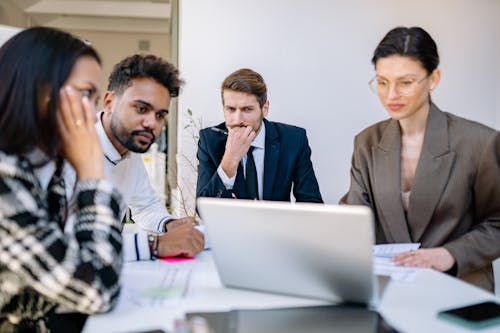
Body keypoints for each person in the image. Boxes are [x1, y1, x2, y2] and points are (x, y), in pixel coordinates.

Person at [340, 27, 500, 291]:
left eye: (405, 82)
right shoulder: (366, 142)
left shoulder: (480, 143)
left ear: (433, 78)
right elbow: (355, 218)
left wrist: (449, 254)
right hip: (389, 290)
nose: (391, 95)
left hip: (459, 290)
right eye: (382, 82)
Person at [0, 27, 124, 332]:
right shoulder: (4, 176)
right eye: (84, 93)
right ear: (36, 89)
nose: (92, 115)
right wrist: (93, 175)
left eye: (93, 99)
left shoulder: (40, 169)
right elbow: (96, 289)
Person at [65, 54, 204, 262]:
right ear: (109, 103)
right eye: (141, 109)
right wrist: (154, 245)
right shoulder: (65, 152)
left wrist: (169, 224)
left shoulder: (130, 150)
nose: (152, 123)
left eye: (160, 115)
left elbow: (145, 206)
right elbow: (63, 244)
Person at [196, 68, 323, 203]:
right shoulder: (209, 141)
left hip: (277, 223)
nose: (237, 119)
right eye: (231, 109)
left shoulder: (294, 139)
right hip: (231, 224)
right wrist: (230, 160)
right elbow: (203, 209)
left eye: (247, 109)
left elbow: (311, 203)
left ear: (265, 108)